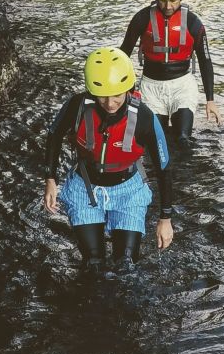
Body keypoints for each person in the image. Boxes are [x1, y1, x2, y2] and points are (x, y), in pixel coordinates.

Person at [43, 47, 174, 270]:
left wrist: (165, 219)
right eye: (102, 96)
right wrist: (50, 179)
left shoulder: (144, 117)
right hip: (85, 188)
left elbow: (164, 167)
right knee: (93, 263)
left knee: (126, 263)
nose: (110, 102)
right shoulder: (77, 106)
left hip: (128, 192)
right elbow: (54, 135)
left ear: (128, 89)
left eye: (117, 95)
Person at [120, 0, 222, 149]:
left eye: (173, 1)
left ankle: (185, 175)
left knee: (183, 138)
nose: (167, 6)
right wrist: (123, 92)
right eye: (162, 0)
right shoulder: (142, 18)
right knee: (155, 141)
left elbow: (205, 60)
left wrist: (210, 99)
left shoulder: (193, 23)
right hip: (151, 87)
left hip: (182, 86)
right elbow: (123, 55)